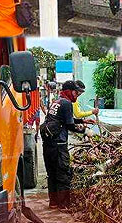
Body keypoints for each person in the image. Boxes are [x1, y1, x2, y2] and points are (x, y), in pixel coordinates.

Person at [39, 80, 94, 209]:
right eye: (76, 93)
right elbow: (69, 125)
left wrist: (82, 120)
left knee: (51, 173)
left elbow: (63, 118)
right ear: (69, 91)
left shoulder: (58, 102)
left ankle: (53, 202)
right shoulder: (67, 103)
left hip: (48, 143)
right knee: (63, 173)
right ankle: (64, 205)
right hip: (59, 144)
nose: (77, 95)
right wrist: (85, 130)